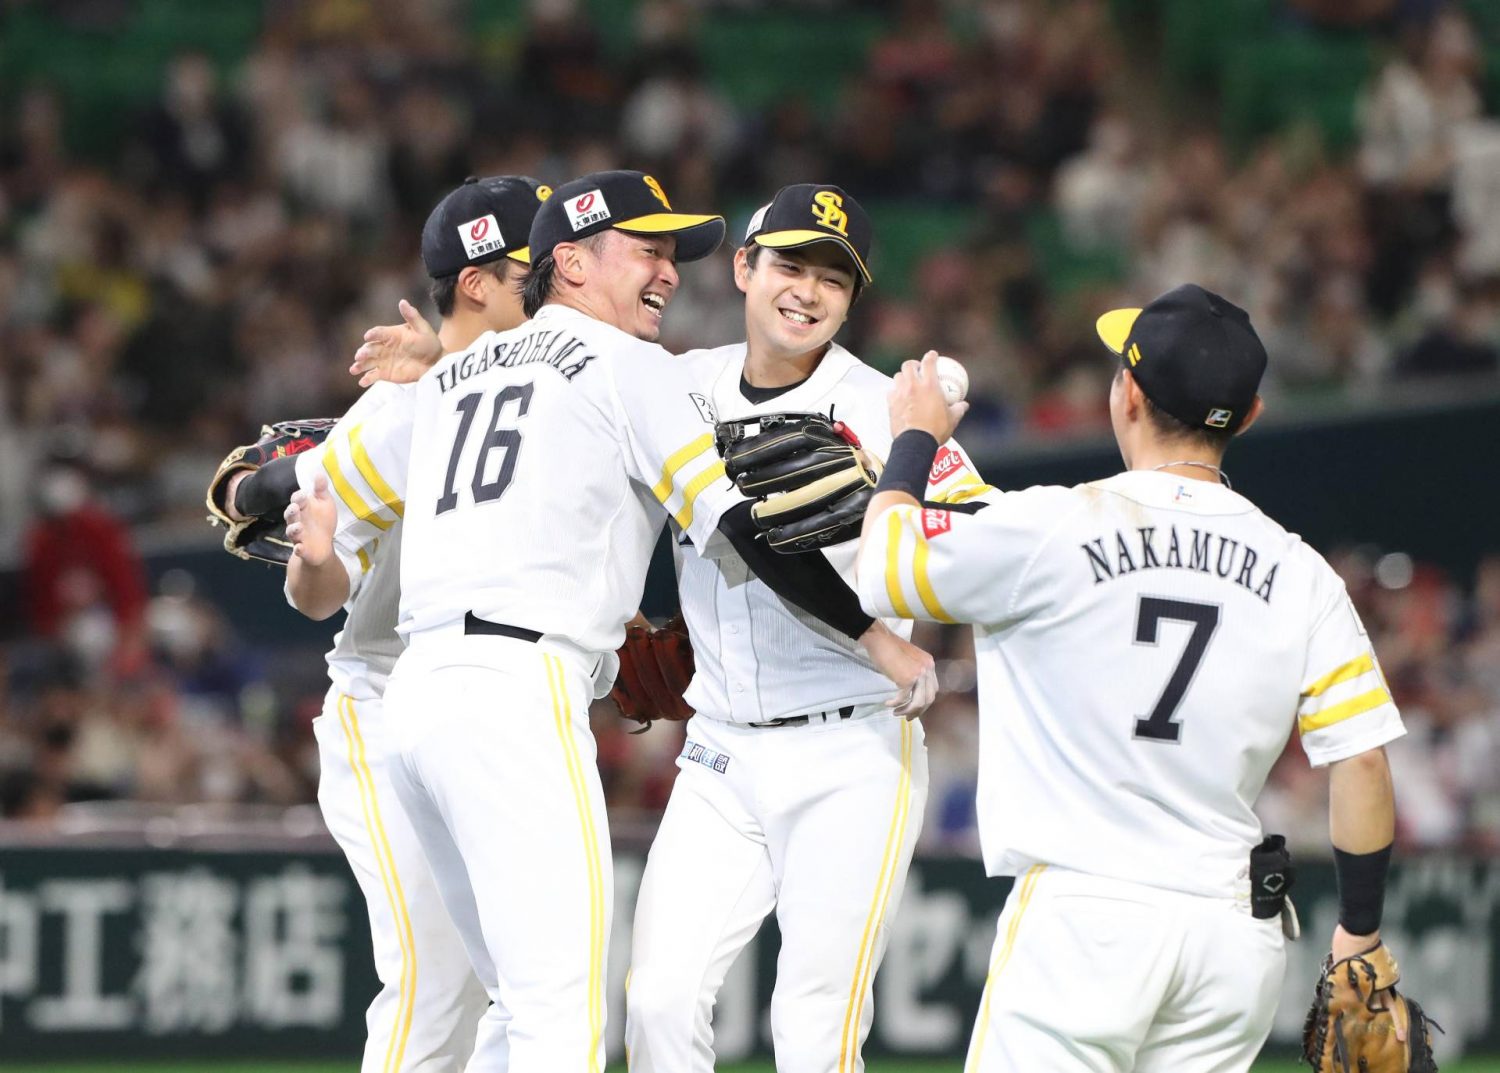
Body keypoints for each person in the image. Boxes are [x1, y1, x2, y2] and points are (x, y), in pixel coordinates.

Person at [283, 170, 935, 1071]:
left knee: (508, 1004)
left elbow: (311, 555)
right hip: (518, 692)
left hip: (416, 701)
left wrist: (313, 539)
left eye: (674, 252)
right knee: (560, 1019)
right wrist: (874, 636)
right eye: (646, 249)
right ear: (572, 262)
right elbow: (743, 532)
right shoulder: (631, 367)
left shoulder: (446, 379)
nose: (669, 271)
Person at [855, 285, 1407, 1072]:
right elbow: (1361, 760)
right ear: (1247, 417)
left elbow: (885, 567)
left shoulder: (1056, 524)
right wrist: (1359, 930)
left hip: (1087, 920)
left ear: (1128, 395)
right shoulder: (1300, 571)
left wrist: (913, 440)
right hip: (1231, 939)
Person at [625, 184, 989, 1073]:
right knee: (657, 1001)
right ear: (744, 268)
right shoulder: (680, 386)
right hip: (720, 753)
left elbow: (984, 549)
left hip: (853, 749)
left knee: (813, 1025)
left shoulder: (884, 406)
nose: (809, 291)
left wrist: (903, 470)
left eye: (835, 276)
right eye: (790, 264)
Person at [217, 174, 550, 1072]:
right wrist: (315, 550)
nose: (556, 281)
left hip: (501, 717)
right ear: (477, 280)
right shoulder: (399, 410)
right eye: (536, 268)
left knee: (531, 989)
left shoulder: (548, 393)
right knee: (437, 985)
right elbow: (314, 596)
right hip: (386, 707)